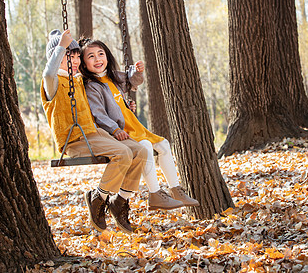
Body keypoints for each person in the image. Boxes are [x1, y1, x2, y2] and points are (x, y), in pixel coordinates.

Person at [41, 29, 148, 234]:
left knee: (140, 150)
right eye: (67, 57)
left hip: (96, 134)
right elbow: (48, 72)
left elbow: (102, 99)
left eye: (76, 56)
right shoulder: (51, 83)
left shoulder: (80, 79)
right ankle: (98, 198)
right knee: (123, 153)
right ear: (56, 57)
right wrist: (61, 45)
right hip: (74, 139)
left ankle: (120, 201)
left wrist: (124, 106)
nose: (73, 61)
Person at [78, 38, 199, 211]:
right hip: (121, 132)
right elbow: (99, 114)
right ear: (84, 63)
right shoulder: (92, 86)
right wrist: (115, 129)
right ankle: (155, 193)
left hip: (134, 125)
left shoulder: (112, 77)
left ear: (107, 56)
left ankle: (176, 189)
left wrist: (137, 70)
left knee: (164, 144)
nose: (97, 59)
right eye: (91, 56)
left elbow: (132, 80)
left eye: (101, 54)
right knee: (146, 146)